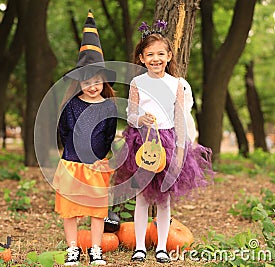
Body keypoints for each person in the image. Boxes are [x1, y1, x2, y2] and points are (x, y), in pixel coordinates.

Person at [114, 20, 213, 263]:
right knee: (142, 197)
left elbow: (180, 118)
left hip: (169, 142)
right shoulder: (138, 83)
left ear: (169, 56)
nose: (155, 58)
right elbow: (130, 115)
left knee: (164, 197)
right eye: (150, 54)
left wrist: (180, 151)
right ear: (141, 58)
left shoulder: (176, 84)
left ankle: (161, 247)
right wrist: (141, 118)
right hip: (143, 142)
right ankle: (139, 246)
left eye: (160, 53)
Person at [52, 10, 117, 266]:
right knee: (70, 211)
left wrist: (102, 157)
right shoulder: (70, 105)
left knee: (97, 211)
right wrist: (73, 153)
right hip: (71, 164)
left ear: (104, 81)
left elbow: (109, 134)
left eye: (97, 81)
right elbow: (64, 131)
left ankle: (96, 248)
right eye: (87, 81)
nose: (92, 86)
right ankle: (72, 248)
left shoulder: (109, 106)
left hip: (96, 166)